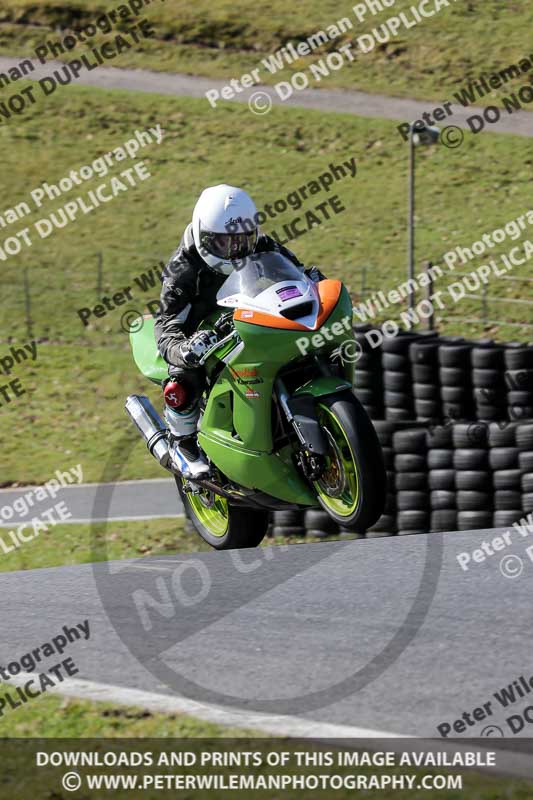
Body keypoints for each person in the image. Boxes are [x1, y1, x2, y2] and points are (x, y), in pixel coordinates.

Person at [154, 184, 323, 478]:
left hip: (248, 312)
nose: (234, 250)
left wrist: (314, 281)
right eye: (223, 243)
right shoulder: (182, 269)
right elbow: (166, 325)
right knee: (183, 379)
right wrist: (184, 349)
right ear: (204, 237)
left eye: (242, 240)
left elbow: (295, 271)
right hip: (201, 329)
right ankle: (183, 442)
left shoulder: (259, 244)